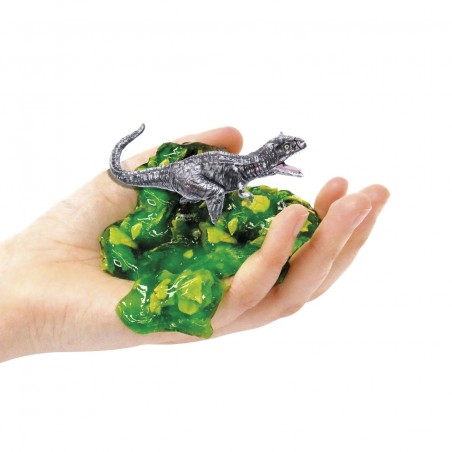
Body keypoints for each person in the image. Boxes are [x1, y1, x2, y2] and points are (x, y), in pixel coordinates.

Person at [0, 127, 389, 362]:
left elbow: (262, 170)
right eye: (284, 152)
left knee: (224, 189)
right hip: (191, 176)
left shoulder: (255, 165)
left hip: (203, 174)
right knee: (215, 193)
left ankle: (210, 205)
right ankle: (211, 210)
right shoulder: (246, 166)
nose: (288, 155)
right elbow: (240, 177)